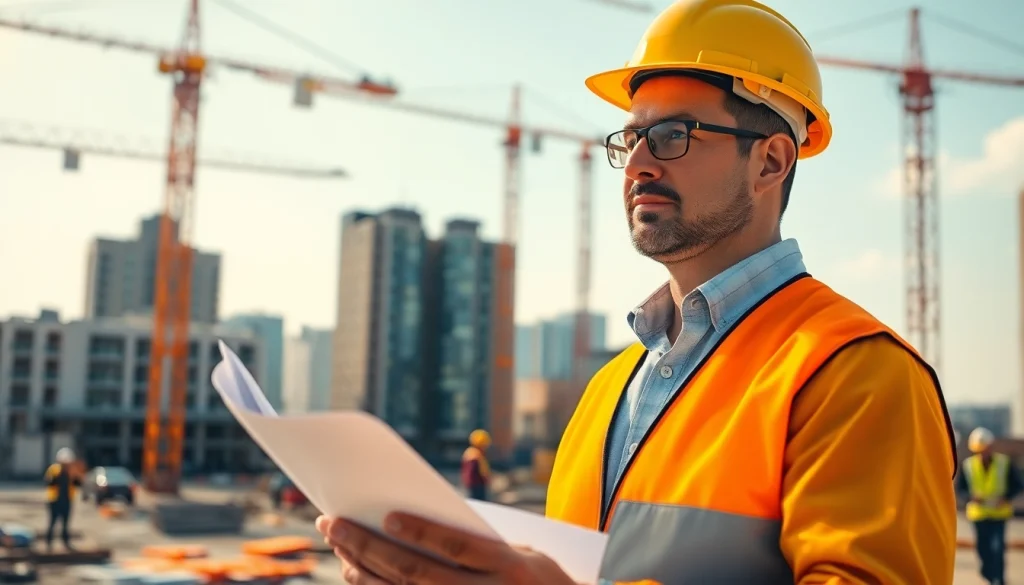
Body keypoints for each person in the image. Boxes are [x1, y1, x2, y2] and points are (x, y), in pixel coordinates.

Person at [314, 1, 958, 583]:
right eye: (633, 138)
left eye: (674, 135)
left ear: (770, 162)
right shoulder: (607, 390)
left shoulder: (857, 374)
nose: (642, 163)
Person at [957, 427, 1022, 585]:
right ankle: (987, 573)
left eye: (984, 449)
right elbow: (961, 489)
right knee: (983, 549)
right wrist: (970, 498)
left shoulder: (1004, 463)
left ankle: (998, 580)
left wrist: (1006, 498)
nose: (982, 453)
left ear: (990, 447)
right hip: (978, 514)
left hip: (999, 514)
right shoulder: (968, 466)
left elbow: (1018, 485)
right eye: (979, 450)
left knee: (998, 548)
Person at [43, 447, 81, 551]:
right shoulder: (54, 469)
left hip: (67, 500)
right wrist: (58, 476)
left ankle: (65, 541)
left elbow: (78, 483)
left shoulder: (72, 471)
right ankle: (49, 543)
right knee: (52, 522)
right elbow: (49, 482)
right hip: (55, 500)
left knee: (65, 523)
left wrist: (74, 475)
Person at [460, 429, 491, 502]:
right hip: (475, 487)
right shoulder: (473, 455)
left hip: (477, 486)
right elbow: (470, 473)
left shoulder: (475, 453)